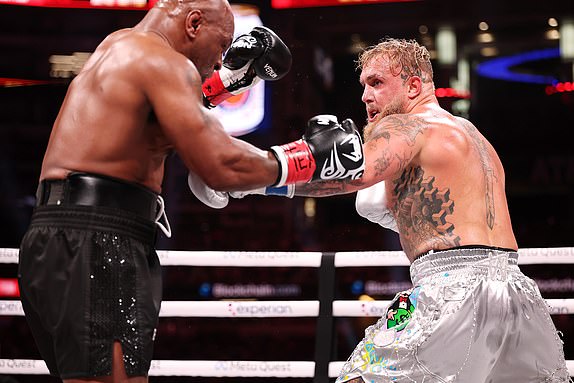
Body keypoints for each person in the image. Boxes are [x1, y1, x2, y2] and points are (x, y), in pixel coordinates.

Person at [16, 0, 366, 381]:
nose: (219, 62)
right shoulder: (164, 62)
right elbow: (219, 165)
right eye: (220, 48)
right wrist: (307, 156)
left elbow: (158, 122)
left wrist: (225, 84)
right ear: (194, 23)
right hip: (101, 240)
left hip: (58, 236)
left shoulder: (119, 45)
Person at [192, 38, 570, 382]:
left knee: (360, 377)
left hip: (453, 291)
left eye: (376, 83)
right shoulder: (475, 139)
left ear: (413, 86)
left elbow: (346, 170)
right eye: (363, 86)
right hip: (520, 298)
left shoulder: (409, 127)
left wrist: (244, 176)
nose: (365, 97)